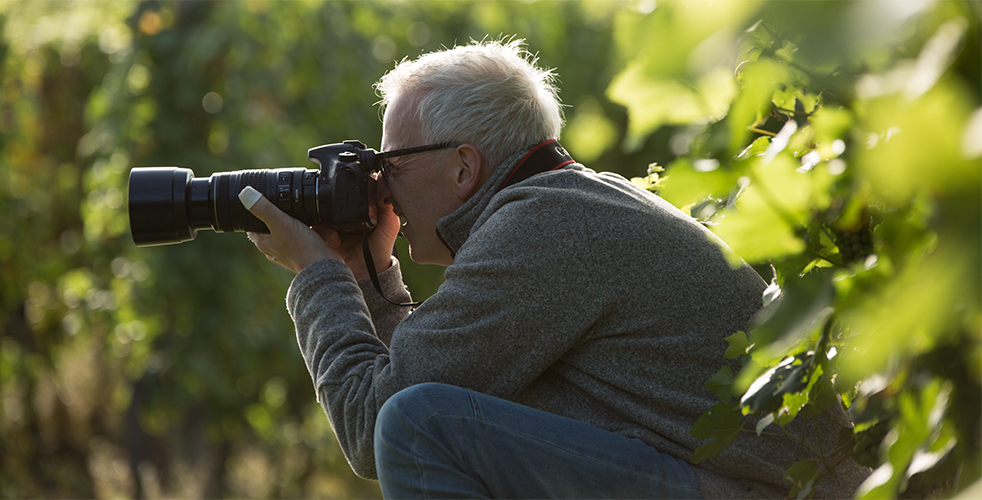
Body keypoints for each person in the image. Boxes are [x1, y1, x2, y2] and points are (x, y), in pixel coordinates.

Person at [239, 39, 869, 499]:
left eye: (393, 163)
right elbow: (422, 374)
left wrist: (317, 272)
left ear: (464, 166)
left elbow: (373, 423)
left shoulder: (543, 227)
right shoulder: (567, 203)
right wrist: (370, 276)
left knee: (420, 424)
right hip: (740, 480)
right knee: (428, 411)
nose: (381, 186)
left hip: (761, 491)